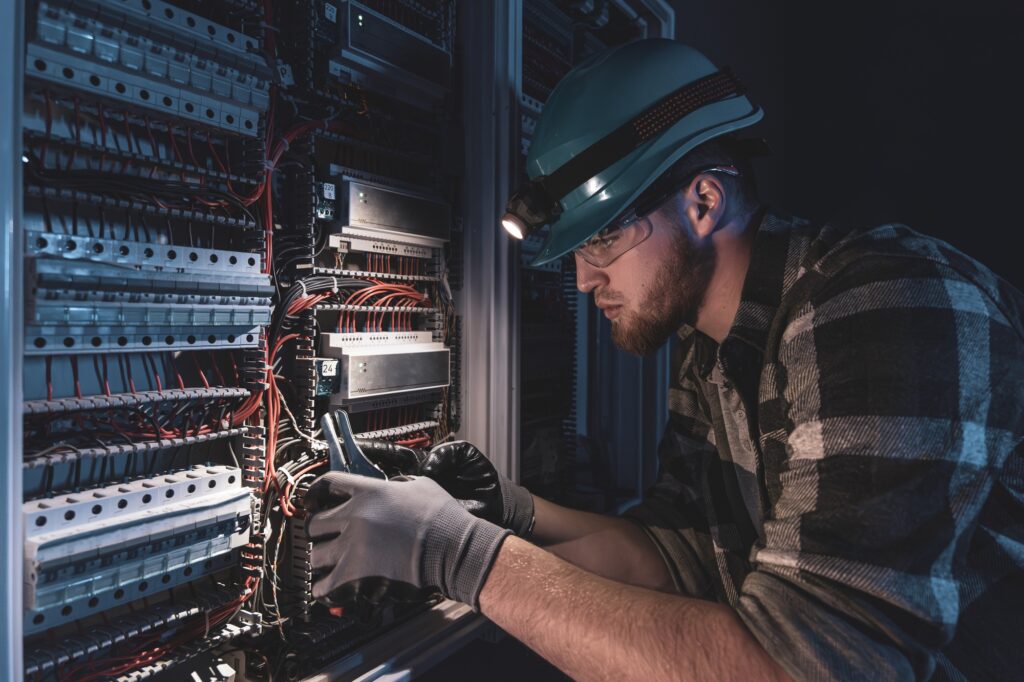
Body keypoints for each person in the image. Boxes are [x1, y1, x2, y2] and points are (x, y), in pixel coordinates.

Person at [304, 39, 1024, 680]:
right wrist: (508, 512)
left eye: (603, 241)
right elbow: (678, 558)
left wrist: (454, 552)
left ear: (703, 201)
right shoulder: (710, 350)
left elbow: (799, 666)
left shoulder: (889, 310)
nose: (585, 279)